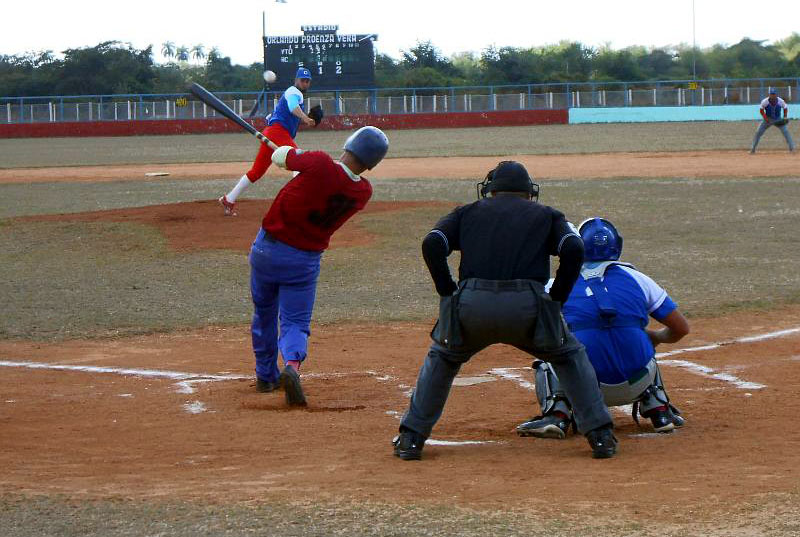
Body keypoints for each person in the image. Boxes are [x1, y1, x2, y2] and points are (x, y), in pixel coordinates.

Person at [393, 162, 618, 461]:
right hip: (529, 306)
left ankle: (411, 438)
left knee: (443, 358)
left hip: (472, 304)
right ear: (528, 193)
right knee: (568, 356)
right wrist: (556, 297)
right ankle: (600, 436)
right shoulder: (547, 215)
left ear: (491, 190)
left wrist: (448, 292)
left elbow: (432, 243)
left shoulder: (467, 212)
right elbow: (574, 248)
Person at [248, 126, 389, 406]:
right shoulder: (363, 191)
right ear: (372, 162)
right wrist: (287, 155)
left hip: (267, 250)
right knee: (295, 322)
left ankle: (266, 376)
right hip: (304, 260)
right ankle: (292, 365)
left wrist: (282, 153)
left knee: (264, 314)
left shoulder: (320, 163)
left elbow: (283, 158)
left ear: (350, 144)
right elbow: (301, 165)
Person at [516, 217, 690, 439]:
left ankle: (557, 415)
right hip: (638, 382)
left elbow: (526, 324)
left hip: (585, 390)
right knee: (642, 339)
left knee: (550, 352)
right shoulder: (640, 279)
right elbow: (681, 328)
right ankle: (659, 409)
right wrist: (655, 337)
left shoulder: (557, 284)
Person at [218, 67, 317, 216]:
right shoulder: (293, 92)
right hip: (278, 132)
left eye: (307, 81)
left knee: (256, 172)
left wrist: (308, 121)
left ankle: (229, 199)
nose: (305, 83)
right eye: (302, 80)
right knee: (298, 161)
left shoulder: (293, 95)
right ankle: (298, 203)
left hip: (273, 133)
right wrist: (305, 118)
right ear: (296, 81)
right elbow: (292, 107)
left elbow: (275, 116)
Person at [750, 89, 795, 154]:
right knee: (758, 132)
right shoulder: (765, 101)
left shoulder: (780, 101)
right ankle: (752, 149)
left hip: (778, 119)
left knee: (786, 132)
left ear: (776, 95)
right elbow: (761, 110)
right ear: (769, 95)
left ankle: (792, 149)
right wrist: (765, 118)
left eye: (774, 94)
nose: (773, 95)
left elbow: (785, 108)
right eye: (771, 94)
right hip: (768, 119)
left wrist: (785, 117)